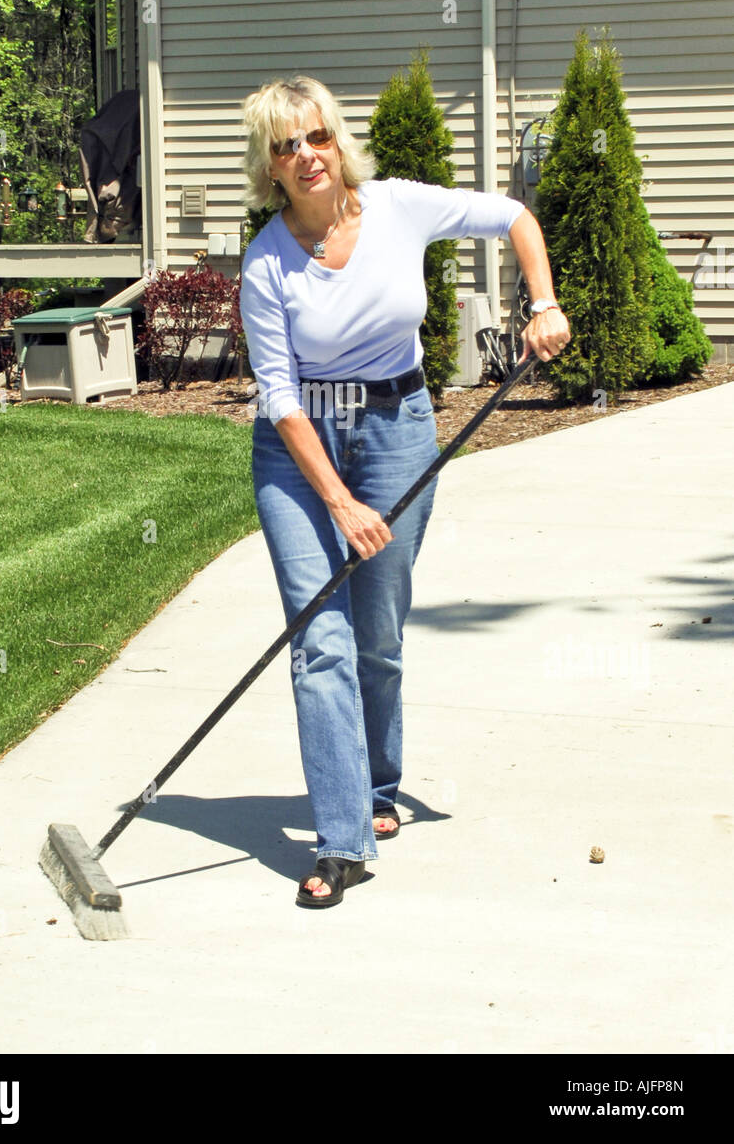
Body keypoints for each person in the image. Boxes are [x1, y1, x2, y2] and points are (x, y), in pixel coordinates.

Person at [238, 75, 570, 908]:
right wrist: (339, 503)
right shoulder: (266, 263)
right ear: (270, 166)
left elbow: (514, 218)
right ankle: (343, 838)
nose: (305, 156)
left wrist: (545, 301)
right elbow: (277, 397)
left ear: (335, 139)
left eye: (315, 137)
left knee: (378, 630)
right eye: (285, 146)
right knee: (321, 640)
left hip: (395, 430)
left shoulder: (397, 207)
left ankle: (379, 787)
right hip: (299, 451)